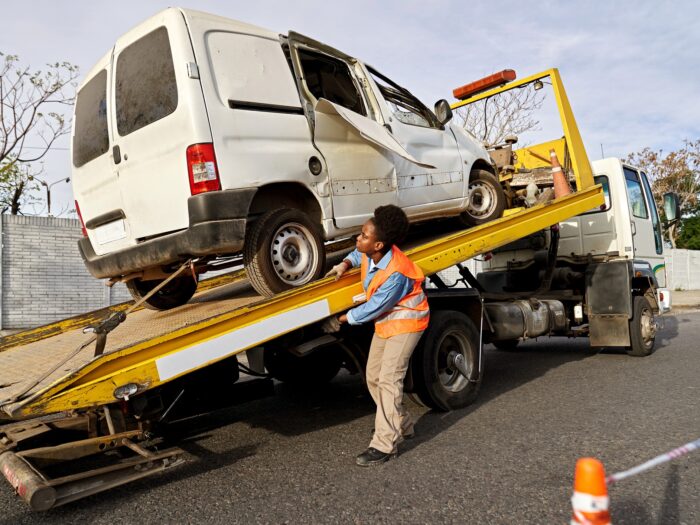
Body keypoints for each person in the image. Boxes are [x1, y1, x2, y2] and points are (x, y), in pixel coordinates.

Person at [323, 205, 429, 466]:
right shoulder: (374, 253)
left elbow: (374, 307)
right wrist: (343, 264)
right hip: (388, 324)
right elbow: (359, 257)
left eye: (364, 236)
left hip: (407, 323)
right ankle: (401, 424)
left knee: (389, 379)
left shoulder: (396, 273)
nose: (358, 238)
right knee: (373, 376)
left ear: (378, 243)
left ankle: (384, 444)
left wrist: (340, 319)